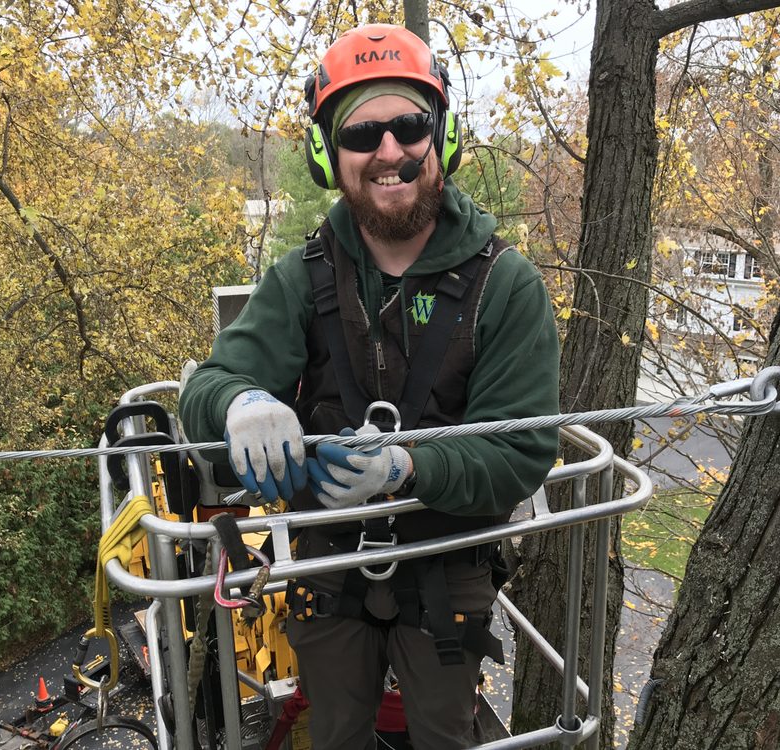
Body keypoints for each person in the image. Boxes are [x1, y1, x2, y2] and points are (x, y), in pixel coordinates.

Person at [179, 24, 559, 750]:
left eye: (409, 126)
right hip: (329, 561)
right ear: (329, 154)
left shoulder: (505, 285)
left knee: (445, 735)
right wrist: (239, 403)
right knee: (333, 733)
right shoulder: (303, 278)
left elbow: (520, 450)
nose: (389, 151)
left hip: (450, 562)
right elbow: (209, 389)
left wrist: (408, 466)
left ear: (440, 136)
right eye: (361, 134)